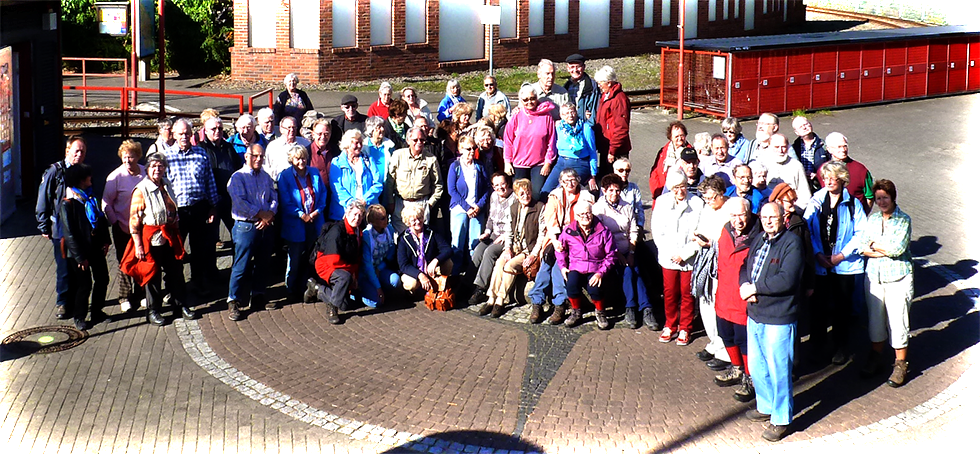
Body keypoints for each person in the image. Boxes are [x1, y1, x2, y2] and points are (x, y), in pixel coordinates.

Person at [740, 202, 805, 443]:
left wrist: (755, 288)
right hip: (755, 313)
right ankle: (765, 405)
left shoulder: (792, 243)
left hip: (779, 316)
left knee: (779, 370)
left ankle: (781, 418)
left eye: (773, 217)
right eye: (765, 217)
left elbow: (787, 280)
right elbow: (744, 267)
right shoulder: (759, 238)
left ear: (783, 218)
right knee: (757, 367)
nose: (768, 221)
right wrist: (744, 286)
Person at [804, 161, 867, 365]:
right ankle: (817, 347)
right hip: (821, 262)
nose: (829, 181)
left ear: (842, 180)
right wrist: (817, 254)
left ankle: (841, 347)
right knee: (818, 308)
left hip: (844, 265)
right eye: (826, 177)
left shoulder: (853, 204)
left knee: (842, 308)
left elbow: (861, 234)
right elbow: (808, 229)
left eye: (833, 177)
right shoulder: (816, 200)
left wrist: (841, 255)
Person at [126, 153, 192, 326]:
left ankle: (180, 305)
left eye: (161, 166)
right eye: (154, 166)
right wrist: (138, 245)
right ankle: (153, 311)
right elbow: (134, 220)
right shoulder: (141, 190)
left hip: (169, 235)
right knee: (152, 276)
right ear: (147, 169)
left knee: (176, 272)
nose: (158, 169)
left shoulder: (167, 184)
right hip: (152, 238)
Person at [859, 179, 913, 387]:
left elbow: (897, 249)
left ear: (893, 197)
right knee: (875, 319)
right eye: (878, 198)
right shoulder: (872, 220)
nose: (881, 202)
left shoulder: (903, 220)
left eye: (885, 198)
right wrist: (877, 246)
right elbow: (862, 246)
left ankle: (900, 363)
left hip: (897, 278)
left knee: (898, 320)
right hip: (874, 276)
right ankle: (875, 357)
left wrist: (874, 245)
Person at [530, 168, 596, 324]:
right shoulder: (555, 196)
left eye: (573, 180)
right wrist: (555, 241)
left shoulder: (586, 197)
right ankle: (537, 302)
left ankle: (559, 304)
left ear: (578, 180)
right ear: (560, 182)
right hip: (556, 238)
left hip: (576, 240)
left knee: (558, 268)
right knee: (546, 264)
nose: (569, 184)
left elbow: (588, 220)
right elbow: (550, 220)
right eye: (565, 181)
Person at [714, 197, 763, 403]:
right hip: (724, 294)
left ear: (749, 213)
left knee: (745, 342)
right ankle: (736, 369)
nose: (738, 220)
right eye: (733, 215)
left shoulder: (759, 235)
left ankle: (750, 378)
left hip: (744, 297)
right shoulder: (726, 230)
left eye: (741, 215)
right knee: (726, 334)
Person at [164, 118, 221, 293]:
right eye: (180, 133)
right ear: (174, 134)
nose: (184, 136)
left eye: (187, 133)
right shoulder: (166, 157)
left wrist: (213, 206)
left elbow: (209, 181)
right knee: (175, 251)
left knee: (199, 249)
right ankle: (175, 287)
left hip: (198, 208)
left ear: (192, 134)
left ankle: (197, 282)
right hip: (177, 211)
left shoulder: (200, 154)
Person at [651, 168, 704, 346]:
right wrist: (671, 253)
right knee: (670, 293)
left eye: (682, 186)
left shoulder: (697, 203)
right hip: (668, 257)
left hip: (688, 257)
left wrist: (685, 253)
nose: (679, 191)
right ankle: (670, 325)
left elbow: (701, 233)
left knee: (687, 294)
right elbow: (657, 232)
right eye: (675, 188)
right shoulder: (661, 202)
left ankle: (685, 327)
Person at [226, 144, 279, 320]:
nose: (258, 159)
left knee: (263, 262)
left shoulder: (265, 176)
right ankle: (234, 300)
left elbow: (274, 197)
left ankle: (258, 295)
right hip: (246, 226)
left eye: (261, 156)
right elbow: (240, 203)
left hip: (265, 225)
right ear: (247, 156)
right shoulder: (237, 177)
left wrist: (270, 214)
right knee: (241, 265)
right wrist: (260, 215)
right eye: (255, 156)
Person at [592, 175, 652, 329]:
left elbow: (633, 230)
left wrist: (631, 252)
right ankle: (632, 307)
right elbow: (602, 236)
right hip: (609, 252)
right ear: (604, 191)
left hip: (628, 248)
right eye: (611, 190)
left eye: (617, 190)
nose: (614, 194)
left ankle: (645, 308)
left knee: (636, 269)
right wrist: (618, 254)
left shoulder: (626, 206)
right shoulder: (599, 209)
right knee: (629, 272)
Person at [36, 136, 87, 319]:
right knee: (64, 267)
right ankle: (63, 302)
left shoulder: (83, 171)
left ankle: (76, 300)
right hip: (60, 229)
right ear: (68, 151)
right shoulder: (55, 171)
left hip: (80, 229)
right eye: (76, 151)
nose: (79, 155)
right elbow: (44, 198)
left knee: (78, 267)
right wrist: (43, 225)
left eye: (82, 151)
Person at [481, 178, 546, 318]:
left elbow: (541, 236)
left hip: (528, 249)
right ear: (516, 195)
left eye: (528, 192)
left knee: (510, 265)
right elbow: (509, 232)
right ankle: (491, 298)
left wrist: (533, 255)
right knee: (500, 262)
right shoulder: (513, 208)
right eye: (522, 194)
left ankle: (500, 300)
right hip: (515, 247)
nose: (526, 196)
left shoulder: (540, 207)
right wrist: (507, 248)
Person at [59, 164, 111, 330]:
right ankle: (79, 316)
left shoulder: (91, 198)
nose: (91, 178)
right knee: (84, 284)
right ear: (81, 180)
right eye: (88, 176)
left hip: (95, 246)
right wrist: (80, 257)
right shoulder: (69, 204)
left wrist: (106, 240)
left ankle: (97, 311)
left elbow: (100, 220)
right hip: (79, 252)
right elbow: (70, 234)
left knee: (103, 278)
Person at [690, 176, 733, 370]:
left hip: (721, 265)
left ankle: (725, 351)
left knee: (719, 307)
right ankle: (714, 342)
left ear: (721, 194)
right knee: (705, 304)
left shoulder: (730, 210)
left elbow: (729, 240)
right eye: (705, 198)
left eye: (711, 198)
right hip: (705, 262)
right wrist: (697, 236)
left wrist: (710, 243)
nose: (708, 202)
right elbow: (701, 227)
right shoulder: (707, 209)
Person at [278, 144, 327, 302]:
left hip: (315, 220)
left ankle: (309, 287)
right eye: (297, 158)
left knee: (313, 256)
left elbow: (323, 194)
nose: (301, 161)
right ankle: (291, 289)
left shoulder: (313, 172)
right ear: (291, 160)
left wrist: (316, 212)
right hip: (296, 223)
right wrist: (301, 215)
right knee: (295, 257)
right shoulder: (285, 176)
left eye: (304, 157)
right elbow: (285, 201)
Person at [557, 200, 616, 329]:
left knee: (595, 288)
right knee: (571, 284)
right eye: (581, 214)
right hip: (576, 266)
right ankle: (576, 312)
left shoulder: (604, 231)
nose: (585, 217)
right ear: (576, 217)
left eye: (588, 213)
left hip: (596, 266)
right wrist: (562, 267)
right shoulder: (568, 231)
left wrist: (601, 273)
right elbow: (560, 250)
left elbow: (611, 254)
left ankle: (600, 312)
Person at [102, 140, 145, 314]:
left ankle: (141, 293)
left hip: (142, 227)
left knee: (142, 259)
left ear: (138, 156)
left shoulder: (144, 173)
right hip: (123, 227)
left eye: (131, 156)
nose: (127, 160)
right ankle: (124, 297)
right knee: (125, 262)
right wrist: (115, 222)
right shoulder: (115, 177)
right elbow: (106, 202)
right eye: (124, 157)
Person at [311, 200, 366, 324]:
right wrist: (351, 275)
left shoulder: (358, 232)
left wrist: (355, 276)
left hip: (343, 267)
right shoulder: (337, 230)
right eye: (354, 214)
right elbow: (333, 260)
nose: (357, 218)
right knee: (344, 277)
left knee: (345, 305)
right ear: (347, 213)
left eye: (360, 216)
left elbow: (357, 257)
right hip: (326, 265)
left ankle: (317, 289)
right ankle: (332, 309)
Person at [468, 172, 515, 305]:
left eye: (502, 184)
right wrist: (487, 232)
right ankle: (467, 284)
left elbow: (517, 222)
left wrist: (506, 235)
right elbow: (490, 217)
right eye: (496, 185)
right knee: (478, 250)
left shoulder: (514, 198)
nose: (500, 187)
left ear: (508, 183)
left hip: (507, 236)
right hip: (494, 233)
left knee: (489, 252)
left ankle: (480, 288)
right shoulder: (494, 196)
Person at [503, 85, 556, 197]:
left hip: (539, 164)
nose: (529, 102)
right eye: (525, 100)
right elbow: (508, 140)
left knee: (537, 194)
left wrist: (548, 163)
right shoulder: (516, 116)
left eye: (532, 98)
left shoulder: (546, 116)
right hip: (519, 164)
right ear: (520, 100)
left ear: (536, 98)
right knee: (520, 195)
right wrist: (507, 162)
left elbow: (551, 142)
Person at [447, 135, 490, 273]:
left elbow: (487, 187)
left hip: (477, 209)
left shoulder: (479, 166)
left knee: (475, 243)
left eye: (474, 148)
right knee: (457, 243)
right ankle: (455, 273)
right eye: (468, 149)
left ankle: (473, 273)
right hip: (459, 209)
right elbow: (451, 190)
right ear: (460, 150)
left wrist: (479, 205)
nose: (472, 151)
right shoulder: (455, 166)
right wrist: (467, 208)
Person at [388, 126, 443, 232]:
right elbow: (390, 182)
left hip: (421, 203)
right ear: (408, 141)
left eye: (422, 140)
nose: (419, 142)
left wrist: (430, 204)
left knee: (420, 238)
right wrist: (391, 203)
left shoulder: (431, 159)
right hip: (401, 203)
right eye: (415, 140)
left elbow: (438, 184)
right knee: (401, 238)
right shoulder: (398, 155)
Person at [199, 116, 242, 242]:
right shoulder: (201, 149)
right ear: (205, 131)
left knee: (236, 234)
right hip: (210, 200)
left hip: (229, 198)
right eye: (213, 129)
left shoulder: (228, 147)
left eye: (220, 128)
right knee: (209, 237)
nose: (217, 131)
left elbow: (237, 167)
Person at [541, 102, 598, 196]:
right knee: (546, 191)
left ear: (576, 112)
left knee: (562, 190)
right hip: (561, 162)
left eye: (572, 112)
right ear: (561, 116)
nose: (570, 116)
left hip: (579, 163)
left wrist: (593, 175)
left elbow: (592, 152)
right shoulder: (559, 127)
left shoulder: (586, 128)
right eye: (566, 113)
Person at [396, 205, 453, 297]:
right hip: (414, 270)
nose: (418, 222)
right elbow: (403, 265)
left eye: (420, 218)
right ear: (408, 222)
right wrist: (420, 275)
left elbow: (447, 250)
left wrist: (435, 260)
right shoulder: (402, 238)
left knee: (448, 263)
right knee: (411, 284)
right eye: (414, 220)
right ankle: (412, 292)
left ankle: (440, 285)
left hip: (431, 268)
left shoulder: (432, 231)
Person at [329, 129, 384, 221]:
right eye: (356, 143)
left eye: (360, 143)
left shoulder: (368, 160)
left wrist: (365, 200)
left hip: (368, 210)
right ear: (347, 144)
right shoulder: (337, 162)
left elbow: (378, 183)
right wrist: (352, 203)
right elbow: (336, 187)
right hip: (344, 211)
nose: (359, 146)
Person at [819, 132, 874, 214]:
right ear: (829, 149)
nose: (843, 150)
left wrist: (862, 217)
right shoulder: (823, 170)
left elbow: (870, 197)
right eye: (839, 147)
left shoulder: (861, 170)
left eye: (845, 146)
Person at [359, 204, 399, 308]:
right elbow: (367, 266)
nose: (386, 220)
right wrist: (378, 288)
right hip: (366, 273)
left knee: (395, 281)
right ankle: (359, 292)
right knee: (376, 303)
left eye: (386, 216)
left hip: (380, 268)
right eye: (382, 218)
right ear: (373, 221)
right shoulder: (367, 236)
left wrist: (380, 268)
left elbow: (391, 251)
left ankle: (379, 289)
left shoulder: (389, 229)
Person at [595, 65, 631, 176]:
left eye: (600, 83)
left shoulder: (618, 99)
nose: (599, 85)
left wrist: (612, 150)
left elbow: (621, 127)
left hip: (615, 149)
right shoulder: (606, 96)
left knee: (615, 179)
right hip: (606, 146)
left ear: (609, 83)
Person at [763, 133, 811, 209]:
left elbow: (805, 195)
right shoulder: (762, 164)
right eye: (776, 147)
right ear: (769, 146)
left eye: (784, 147)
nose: (780, 150)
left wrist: (794, 211)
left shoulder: (796, 165)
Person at [649, 121, 689, 210]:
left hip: (680, 194)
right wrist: (656, 189)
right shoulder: (664, 151)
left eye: (682, 135)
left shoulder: (689, 152)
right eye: (676, 136)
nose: (680, 138)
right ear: (670, 137)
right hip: (662, 192)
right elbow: (655, 171)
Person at [265, 116, 312, 182]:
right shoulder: (273, 146)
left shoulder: (305, 143)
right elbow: (268, 167)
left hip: (302, 182)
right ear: (281, 129)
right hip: (279, 183)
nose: (292, 130)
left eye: (294, 127)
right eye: (288, 128)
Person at [790, 116, 828, 191]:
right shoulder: (793, 148)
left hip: (821, 185)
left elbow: (832, 166)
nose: (804, 128)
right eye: (800, 127)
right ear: (796, 132)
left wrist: (817, 175)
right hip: (801, 186)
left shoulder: (824, 145)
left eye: (806, 124)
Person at [563, 53, 600, 124]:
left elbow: (596, 109)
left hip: (586, 126)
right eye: (572, 67)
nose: (575, 70)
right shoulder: (565, 87)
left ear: (584, 67)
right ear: (568, 68)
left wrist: (589, 123)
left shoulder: (592, 87)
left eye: (578, 66)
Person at [364, 116, 396, 185]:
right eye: (379, 127)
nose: (382, 129)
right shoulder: (363, 147)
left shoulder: (390, 146)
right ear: (371, 130)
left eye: (383, 126)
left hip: (386, 185)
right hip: (369, 186)